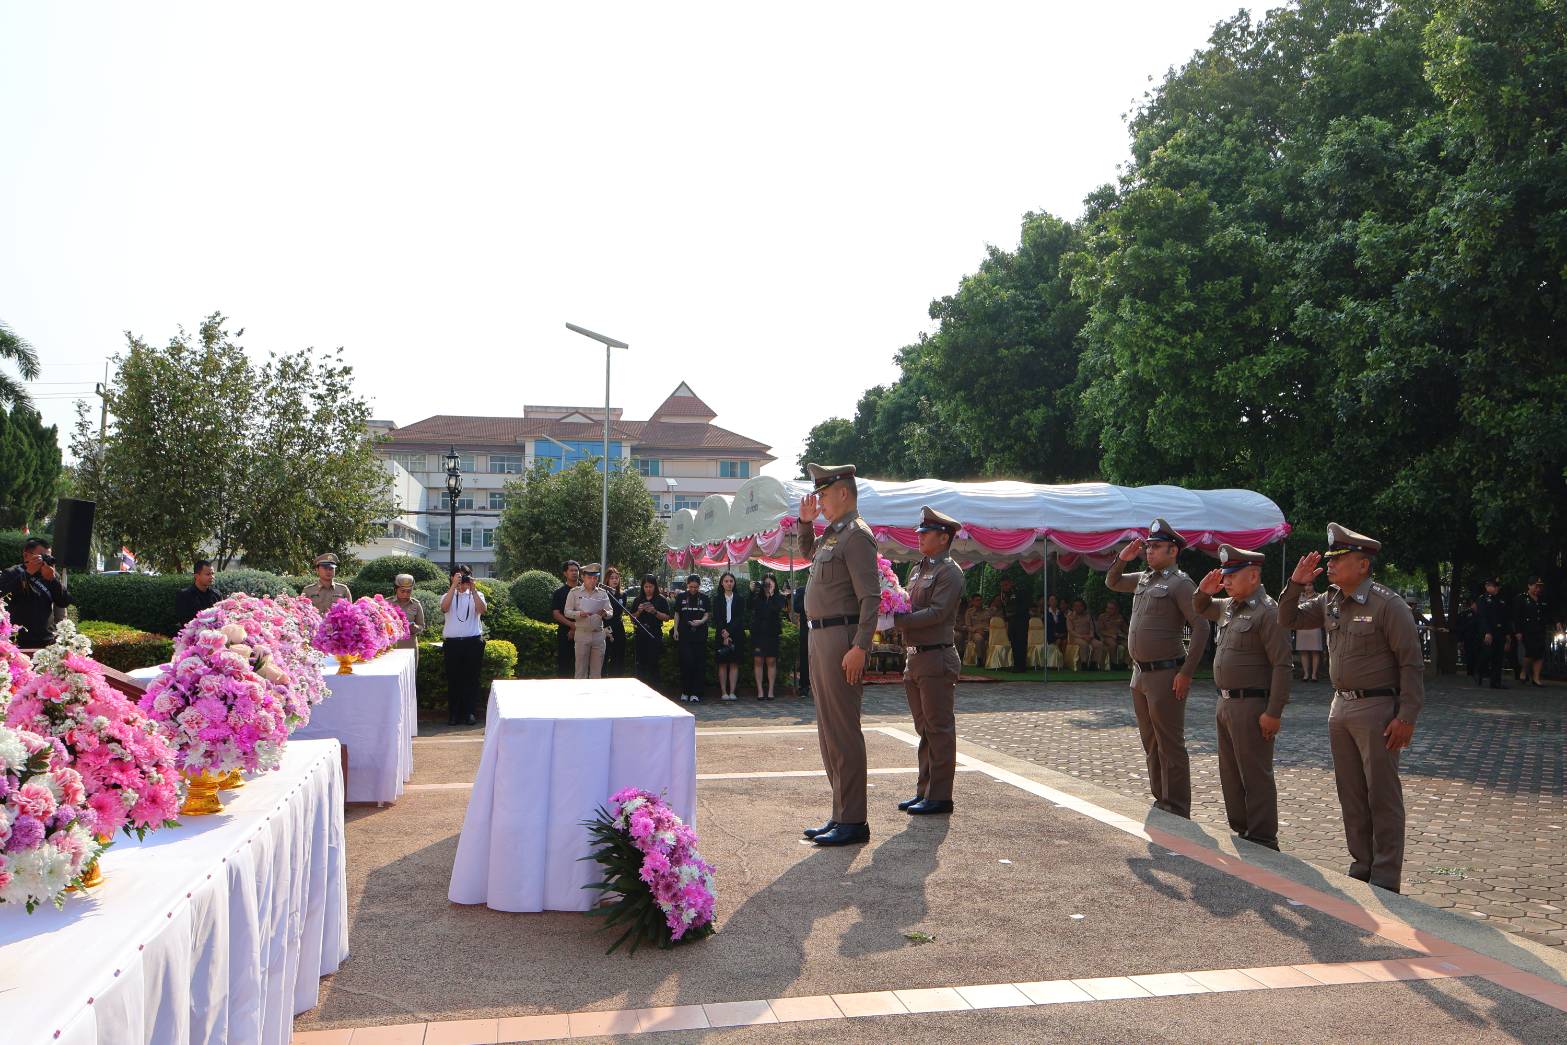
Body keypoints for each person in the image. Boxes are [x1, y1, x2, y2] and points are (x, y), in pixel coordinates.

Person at [1280, 523, 1423, 893]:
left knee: (1381, 794)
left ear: (1363, 565)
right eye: (1330, 558)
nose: (1330, 564)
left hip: (1377, 709)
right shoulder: (1329, 600)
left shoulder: (1386, 604)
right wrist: (1295, 585)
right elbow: (1287, 619)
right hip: (1340, 707)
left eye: (1339, 558)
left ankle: (1386, 875)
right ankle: (1362, 865)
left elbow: (1411, 664)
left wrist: (1406, 716)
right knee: (1351, 793)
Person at [796, 463, 880, 848]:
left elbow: (870, 597)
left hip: (841, 639)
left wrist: (861, 646)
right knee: (828, 730)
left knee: (843, 729)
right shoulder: (833, 534)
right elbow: (806, 552)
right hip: (820, 637)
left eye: (825, 495)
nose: (821, 502)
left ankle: (853, 820)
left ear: (844, 493)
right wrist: (806, 524)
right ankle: (841, 812)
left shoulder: (857, 535)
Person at [1106, 518, 1211, 819]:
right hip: (1140, 673)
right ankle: (1161, 798)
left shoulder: (1181, 583)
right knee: (1150, 740)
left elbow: (1201, 627)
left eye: (1156, 547)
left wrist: (1186, 672)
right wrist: (1122, 559)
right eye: (1148, 546)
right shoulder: (1144, 578)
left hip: (1166, 673)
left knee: (1169, 742)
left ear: (1173, 551)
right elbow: (1112, 582)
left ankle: (1176, 806)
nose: (1149, 551)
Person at [1194, 545, 1292, 851]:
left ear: (1253, 576)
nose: (1226, 581)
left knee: (1254, 772)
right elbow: (1201, 608)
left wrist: (1273, 711)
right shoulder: (1229, 606)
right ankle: (1243, 828)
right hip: (1225, 703)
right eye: (1225, 576)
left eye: (1232, 576)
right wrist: (1203, 591)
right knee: (1230, 771)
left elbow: (1282, 664)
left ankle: (1263, 836)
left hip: (1252, 704)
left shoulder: (1268, 611)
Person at [892, 506, 964, 817]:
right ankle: (925, 790)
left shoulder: (950, 572)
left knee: (939, 728)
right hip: (916, 657)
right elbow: (909, 603)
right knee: (924, 729)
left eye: (926, 533)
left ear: (943, 537)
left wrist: (897, 620)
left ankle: (940, 795)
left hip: (936, 656)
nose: (919, 537)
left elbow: (937, 613)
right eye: (920, 532)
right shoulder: (917, 569)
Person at [0, 538, 72, 648]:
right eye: (41, 557)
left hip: (46, 640)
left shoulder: (50, 575)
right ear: (26, 555)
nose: (45, 561)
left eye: (48, 557)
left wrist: (53, 580)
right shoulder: (12, 573)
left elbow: (64, 602)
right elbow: (4, 595)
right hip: (17, 640)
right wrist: (28, 573)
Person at [440, 565, 488, 726]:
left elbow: (482, 610)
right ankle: (454, 714)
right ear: (452, 577)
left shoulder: (477, 594)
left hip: (472, 642)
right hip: (452, 644)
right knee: (453, 680)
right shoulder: (447, 595)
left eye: (465, 577)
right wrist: (454, 586)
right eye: (458, 577)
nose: (462, 580)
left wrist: (473, 589)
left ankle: (470, 713)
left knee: (472, 679)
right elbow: (444, 608)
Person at [566, 563, 613, 679]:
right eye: (589, 577)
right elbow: (567, 612)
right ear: (583, 577)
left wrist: (605, 613)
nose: (593, 580)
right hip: (582, 634)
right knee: (580, 672)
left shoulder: (602, 593)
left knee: (596, 674)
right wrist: (579, 614)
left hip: (598, 635)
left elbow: (610, 612)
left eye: (595, 578)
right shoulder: (574, 592)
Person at [628, 575, 672, 690]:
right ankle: (640, 689)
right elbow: (632, 618)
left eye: (650, 586)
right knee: (640, 664)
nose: (648, 589)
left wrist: (654, 611)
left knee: (654, 663)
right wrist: (639, 611)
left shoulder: (661, 599)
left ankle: (655, 689)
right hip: (640, 634)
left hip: (654, 634)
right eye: (646, 587)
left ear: (655, 586)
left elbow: (667, 618)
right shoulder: (638, 600)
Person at [674, 575, 711, 702]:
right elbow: (677, 614)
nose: (693, 589)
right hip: (684, 634)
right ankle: (685, 691)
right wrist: (675, 630)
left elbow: (707, 614)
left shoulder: (705, 598)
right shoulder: (681, 597)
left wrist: (701, 621)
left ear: (699, 586)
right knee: (686, 662)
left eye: (696, 587)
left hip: (700, 635)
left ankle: (696, 693)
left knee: (698, 664)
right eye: (691, 587)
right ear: (687, 585)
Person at [711, 571, 747, 700]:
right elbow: (717, 617)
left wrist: (729, 632)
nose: (729, 583)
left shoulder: (740, 599)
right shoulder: (717, 599)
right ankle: (723, 692)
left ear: (734, 583)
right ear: (722, 583)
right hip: (721, 634)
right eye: (726, 581)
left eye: (731, 581)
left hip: (736, 634)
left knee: (734, 663)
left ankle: (732, 692)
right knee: (722, 663)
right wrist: (724, 634)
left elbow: (740, 618)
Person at [750, 574, 786, 700]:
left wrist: (771, 595)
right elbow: (750, 606)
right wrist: (752, 591)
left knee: (771, 661)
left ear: (775, 584)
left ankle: (770, 691)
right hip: (758, 633)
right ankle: (760, 690)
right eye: (766, 583)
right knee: (758, 660)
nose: (768, 586)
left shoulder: (779, 597)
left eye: (771, 583)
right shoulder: (757, 597)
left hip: (772, 633)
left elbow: (775, 609)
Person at [1512, 578, 1554, 688]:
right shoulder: (1521, 598)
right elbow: (1516, 616)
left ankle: (1536, 678)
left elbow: (1547, 613)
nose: (1538, 589)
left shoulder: (1542, 599)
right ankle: (1524, 671)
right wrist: (1518, 631)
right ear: (1529, 586)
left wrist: (1556, 621)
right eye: (1536, 586)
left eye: (1539, 587)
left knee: (1539, 654)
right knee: (1530, 653)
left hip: (1539, 629)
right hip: (1527, 630)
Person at [1475, 577, 1512, 689]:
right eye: (1493, 586)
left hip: (1500, 631)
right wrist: (1487, 632)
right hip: (1488, 631)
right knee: (1487, 654)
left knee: (1498, 657)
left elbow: (1505, 618)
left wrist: (1507, 634)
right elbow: (1483, 617)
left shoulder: (1501, 600)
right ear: (1487, 586)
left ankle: (1496, 681)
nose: (1495, 589)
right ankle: (1479, 671)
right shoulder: (1483, 599)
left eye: (1496, 586)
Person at [551, 560, 581, 679]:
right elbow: (556, 613)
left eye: (576, 570)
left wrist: (576, 627)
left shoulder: (586, 591)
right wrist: (571, 625)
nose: (574, 573)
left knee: (581, 666)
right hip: (565, 633)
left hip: (584, 632)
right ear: (565, 573)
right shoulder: (559, 593)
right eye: (571, 570)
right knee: (564, 666)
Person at [175, 559, 221, 626]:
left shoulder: (216, 594)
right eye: (208, 574)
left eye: (213, 573)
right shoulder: (184, 595)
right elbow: (185, 622)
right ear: (196, 576)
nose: (212, 577)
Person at [999, 576, 1029, 673]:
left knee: (1021, 643)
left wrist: (1014, 613)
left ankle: (1022, 666)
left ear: (1011, 583)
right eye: (1002, 586)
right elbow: (1004, 608)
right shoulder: (1003, 595)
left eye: (1006, 585)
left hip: (1021, 621)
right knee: (1013, 643)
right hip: (1011, 622)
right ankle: (1016, 665)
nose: (1004, 587)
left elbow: (1024, 606)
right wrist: (1006, 619)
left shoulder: (1020, 592)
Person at [602, 567, 627, 677]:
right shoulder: (602, 593)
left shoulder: (623, 594)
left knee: (619, 656)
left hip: (618, 626)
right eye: (612, 578)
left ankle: (617, 677)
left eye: (616, 578)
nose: (615, 580)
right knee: (605, 655)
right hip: (605, 626)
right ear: (607, 579)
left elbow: (621, 612)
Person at [1065, 598, 1104, 670]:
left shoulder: (1088, 616)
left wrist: (1091, 636)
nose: (1078, 608)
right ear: (1073, 607)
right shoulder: (1070, 617)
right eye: (1076, 606)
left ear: (1083, 607)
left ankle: (1094, 663)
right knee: (1084, 644)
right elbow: (1070, 630)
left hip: (1088, 636)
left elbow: (1092, 628)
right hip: (1076, 637)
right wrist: (1082, 636)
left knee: (1099, 644)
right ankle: (1084, 663)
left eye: (1080, 606)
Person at [392, 573, 425, 651]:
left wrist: (414, 627)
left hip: (410, 646)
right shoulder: (387, 603)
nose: (405, 594)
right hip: (391, 646)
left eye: (409, 591)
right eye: (402, 591)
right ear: (396, 589)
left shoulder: (416, 604)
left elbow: (421, 625)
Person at [790, 580, 810, 698]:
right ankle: (804, 686)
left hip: (821, 629)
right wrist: (808, 601)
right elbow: (796, 607)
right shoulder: (801, 590)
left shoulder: (823, 589)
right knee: (804, 657)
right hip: (805, 629)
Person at [1096, 600, 1127, 669]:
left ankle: (1125, 664)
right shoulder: (1102, 617)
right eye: (1108, 608)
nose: (1108, 610)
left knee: (1129, 645)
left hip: (1119, 636)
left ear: (1117, 609)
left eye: (1111, 608)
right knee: (1113, 644)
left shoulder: (1120, 617)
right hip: (1107, 636)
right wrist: (1111, 635)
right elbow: (1100, 630)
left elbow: (1125, 629)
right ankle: (1113, 663)